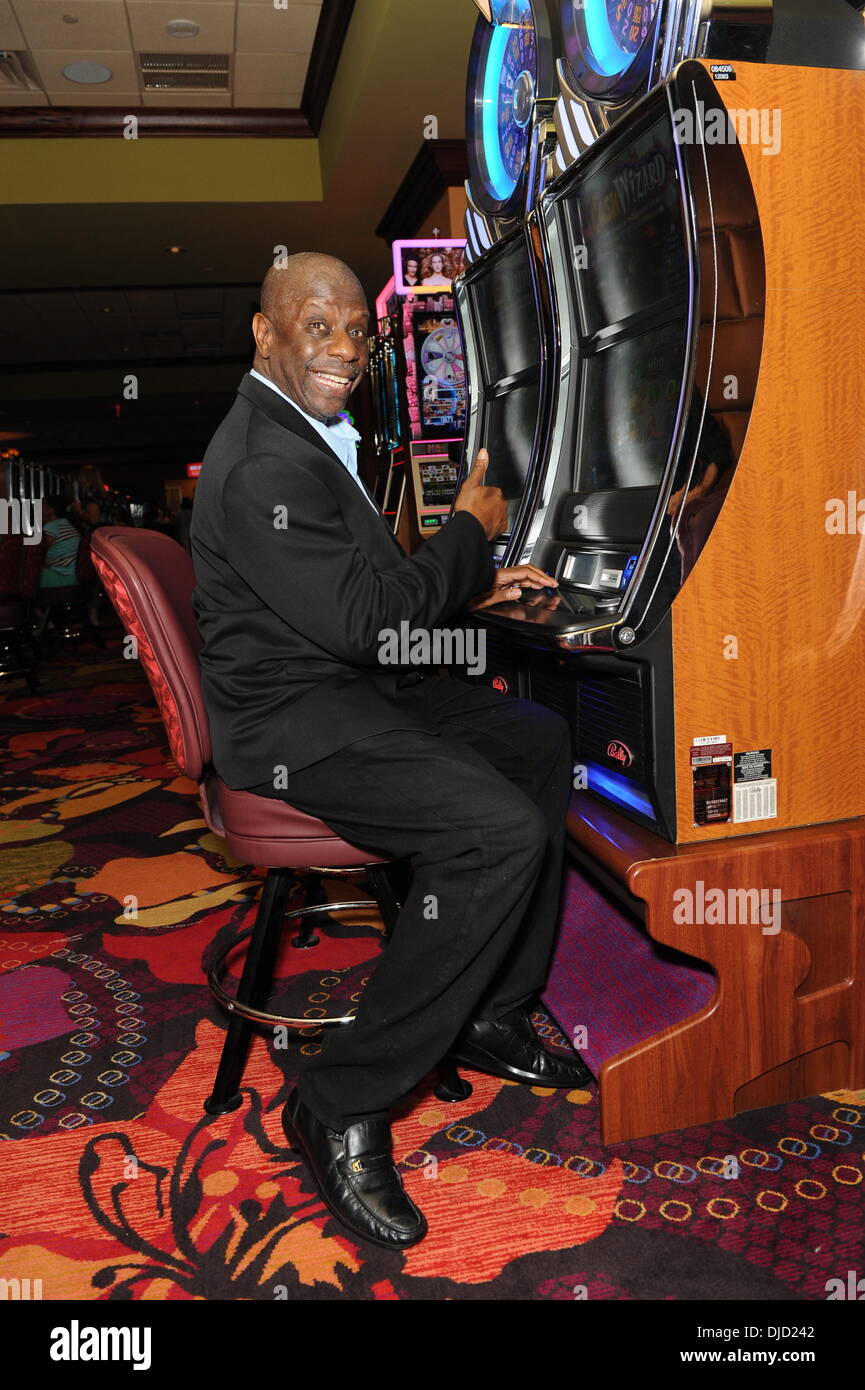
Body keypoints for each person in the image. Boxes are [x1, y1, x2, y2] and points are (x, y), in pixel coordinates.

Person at [191, 251, 591, 1252]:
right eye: (315, 325)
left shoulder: (301, 434)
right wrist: (470, 534)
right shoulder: (264, 463)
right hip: (298, 723)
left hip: (353, 685)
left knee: (536, 739)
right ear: (264, 332)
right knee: (492, 832)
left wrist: (477, 595)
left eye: (354, 332)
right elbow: (369, 624)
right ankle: (337, 1100)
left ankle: (494, 1011)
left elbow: (363, 601)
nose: (341, 347)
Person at [38, 496, 80, 590]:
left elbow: (37, 553)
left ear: (50, 510)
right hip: (75, 578)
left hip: (60, 577)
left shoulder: (51, 527)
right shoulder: (68, 525)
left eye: (40, 507)